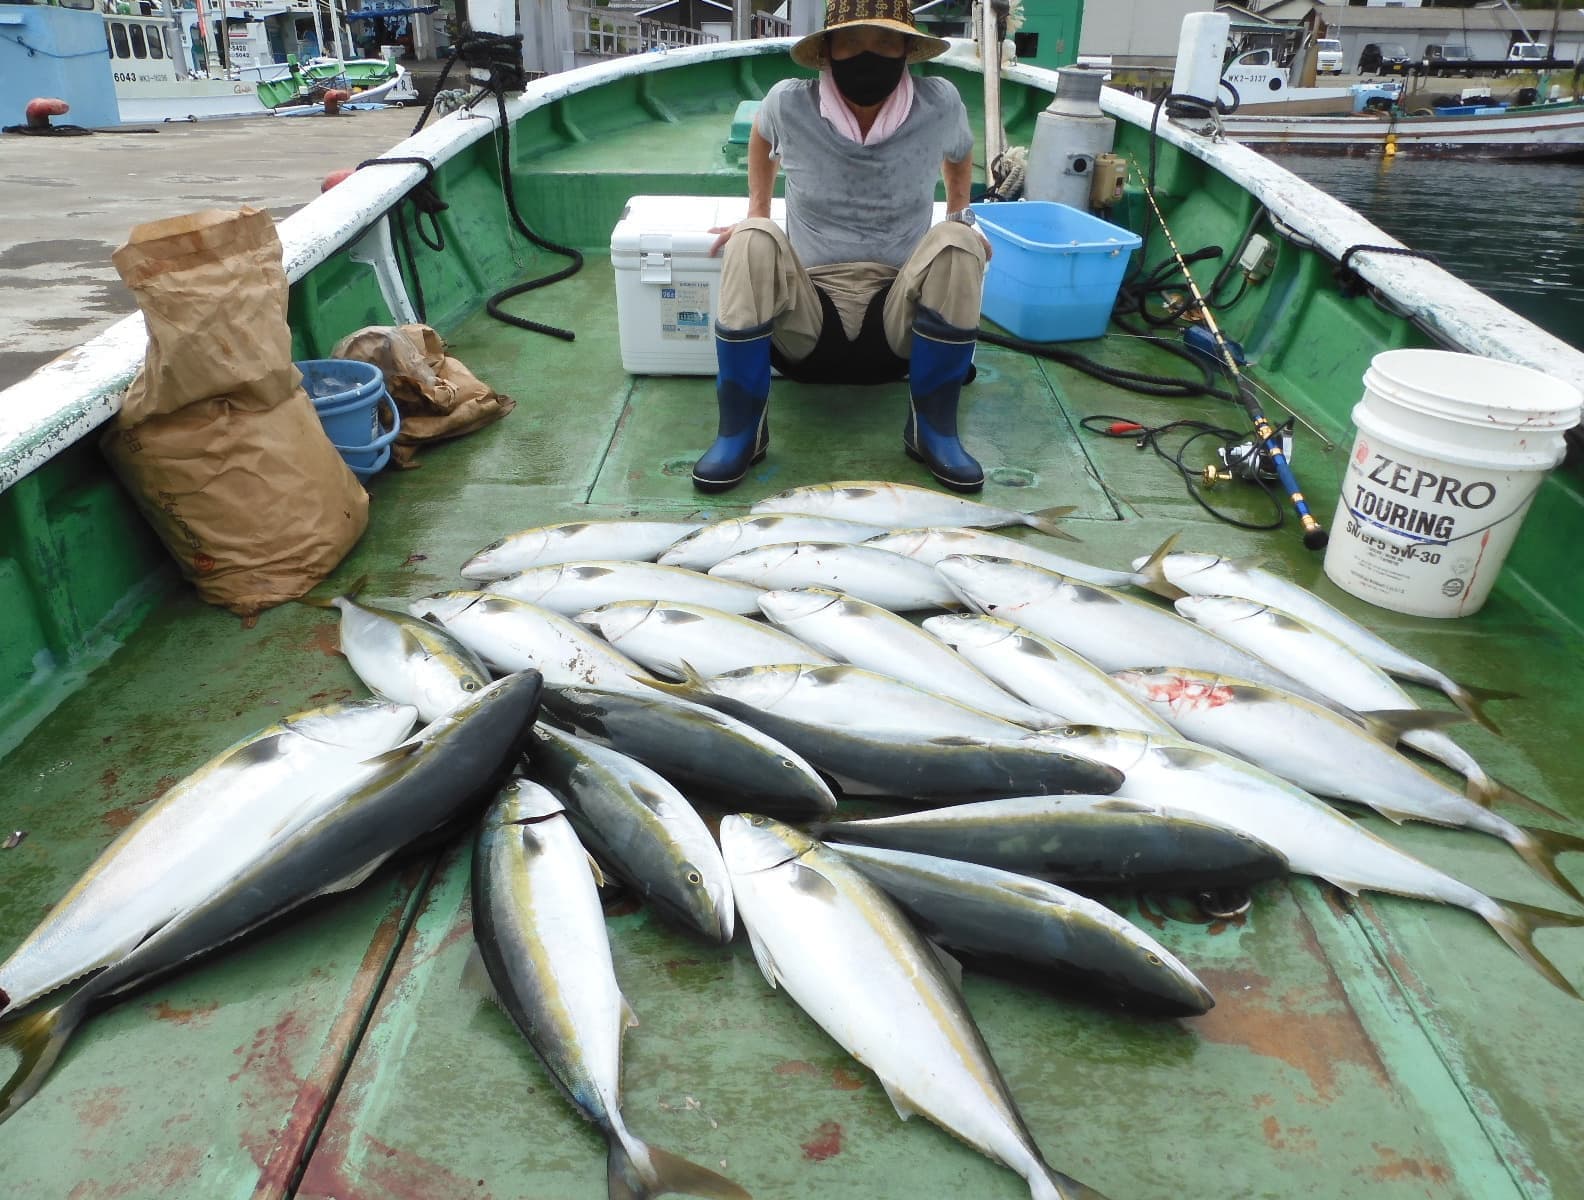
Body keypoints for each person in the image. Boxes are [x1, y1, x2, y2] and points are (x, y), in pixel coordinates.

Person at [694, 0, 992, 495]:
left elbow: (960, 154)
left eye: (885, 42)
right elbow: (762, 136)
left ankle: (932, 430)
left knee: (960, 241)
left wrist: (960, 214)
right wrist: (757, 209)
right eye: (851, 42)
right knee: (751, 236)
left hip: (898, 322)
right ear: (828, 50)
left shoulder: (940, 102)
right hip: (808, 322)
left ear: (906, 50)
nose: (867, 55)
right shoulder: (789, 103)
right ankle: (741, 432)